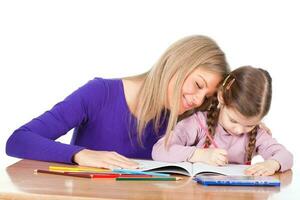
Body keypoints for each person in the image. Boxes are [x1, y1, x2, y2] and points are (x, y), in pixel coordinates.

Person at [6, 35, 230, 169]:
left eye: (207, 97)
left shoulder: (189, 122)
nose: (198, 100)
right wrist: (80, 154)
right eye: (198, 85)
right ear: (176, 65)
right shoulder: (100, 93)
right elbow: (18, 140)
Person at [152, 66, 293, 176]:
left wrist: (272, 164)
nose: (239, 130)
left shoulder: (257, 134)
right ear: (221, 97)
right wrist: (199, 154)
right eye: (233, 120)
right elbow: (159, 151)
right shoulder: (198, 123)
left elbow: (286, 156)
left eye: (249, 125)